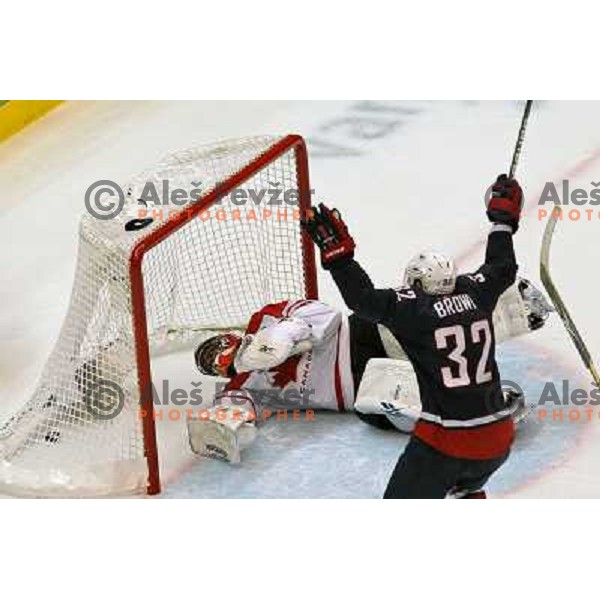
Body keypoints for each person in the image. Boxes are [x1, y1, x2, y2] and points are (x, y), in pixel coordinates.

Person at [302, 174, 524, 498]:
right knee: (465, 490)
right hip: (498, 440)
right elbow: (502, 266)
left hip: (446, 442)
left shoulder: (415, 310)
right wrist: (502, 222)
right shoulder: (475, 291)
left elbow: (361, 299)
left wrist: (340, 260)